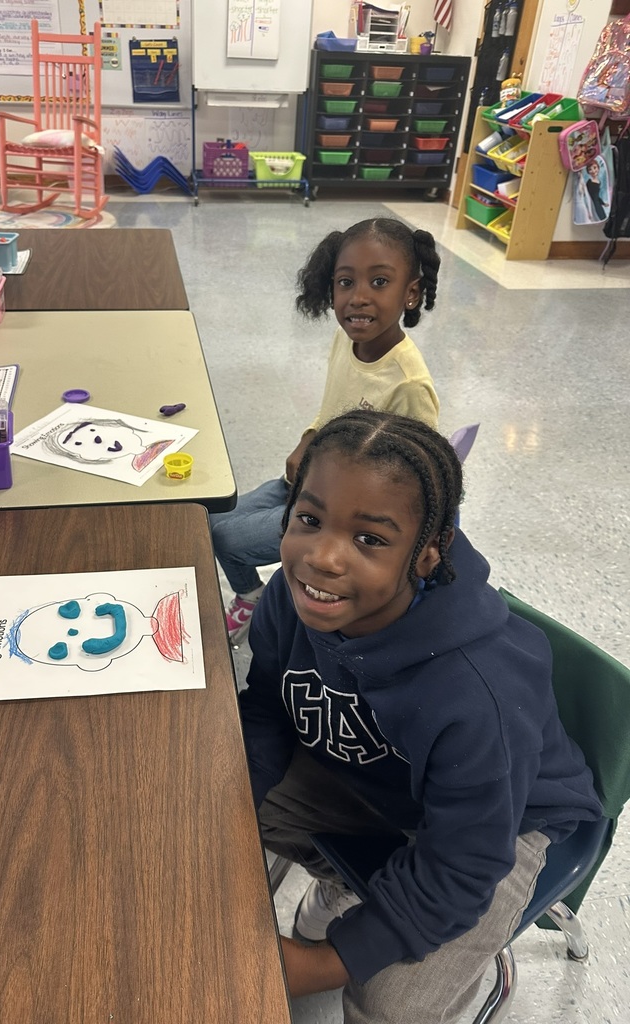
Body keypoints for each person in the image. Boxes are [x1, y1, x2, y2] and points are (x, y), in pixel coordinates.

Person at [240, 409, 603, 1023]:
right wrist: (233, 798)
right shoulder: (293, 594)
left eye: (370, 539)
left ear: (429, 555)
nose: (321, 558)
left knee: (389, 1004)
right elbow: (268, 713)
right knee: (201, 816)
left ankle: (373, 912)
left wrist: (329, 963)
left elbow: (465, 862)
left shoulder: (475, 693)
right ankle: (358, 892)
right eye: (309, 519)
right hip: (377, 779)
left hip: (503, 828)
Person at [210, 217, 441, 646]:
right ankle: (259, 595)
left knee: (226, 538)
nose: (358, 299)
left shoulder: (408, 383)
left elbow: (418, 479)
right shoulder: (347, 341)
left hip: (342, 515)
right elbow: (330, 409)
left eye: (379, 282)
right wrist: (308, 437)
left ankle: (252, 598)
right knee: (210, 518)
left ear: (411, 293)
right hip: (309, 482)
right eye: (345, 283)